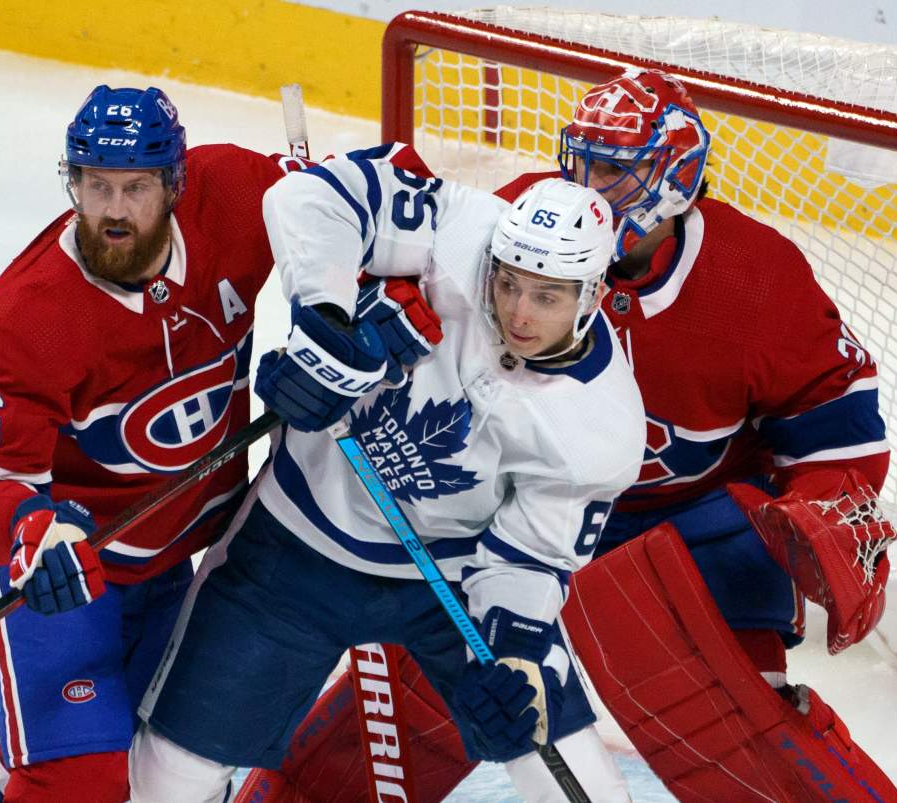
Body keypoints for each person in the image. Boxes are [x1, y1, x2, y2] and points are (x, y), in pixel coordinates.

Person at [236, 69, 897, 803]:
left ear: (675, 176)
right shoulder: (521, 218)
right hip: (516, 504)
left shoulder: (755, 278)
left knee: (731, 719)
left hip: (684, 531)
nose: (585, 184)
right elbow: (421, 264)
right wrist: (377, 316)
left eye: (612, 170)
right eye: (578, 161)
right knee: (451, 684)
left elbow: (833, 413)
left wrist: (823, 504)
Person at [127, 148, 647, 802]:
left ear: (593, 295)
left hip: (450, 580)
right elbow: (307, 199)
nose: (517, 312)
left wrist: (515, 656)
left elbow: (531, 556)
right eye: (508, 282)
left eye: (546, 297)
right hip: (295, 544)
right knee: (166, 782)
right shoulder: (462, 233)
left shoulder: (602, 427)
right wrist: (328, 321)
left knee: (579, 785)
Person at [0, 84, 296, 802]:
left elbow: (359, 200)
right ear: (72, 182)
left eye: (135, 187)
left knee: (152, 762)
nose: (114, 210)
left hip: (171, 562)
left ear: (175, 182)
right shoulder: (29, 315)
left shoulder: (234, 194)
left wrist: (365, 306)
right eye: (95, 185)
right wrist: (31, 529)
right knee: (80, 779)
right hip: (58, 578)